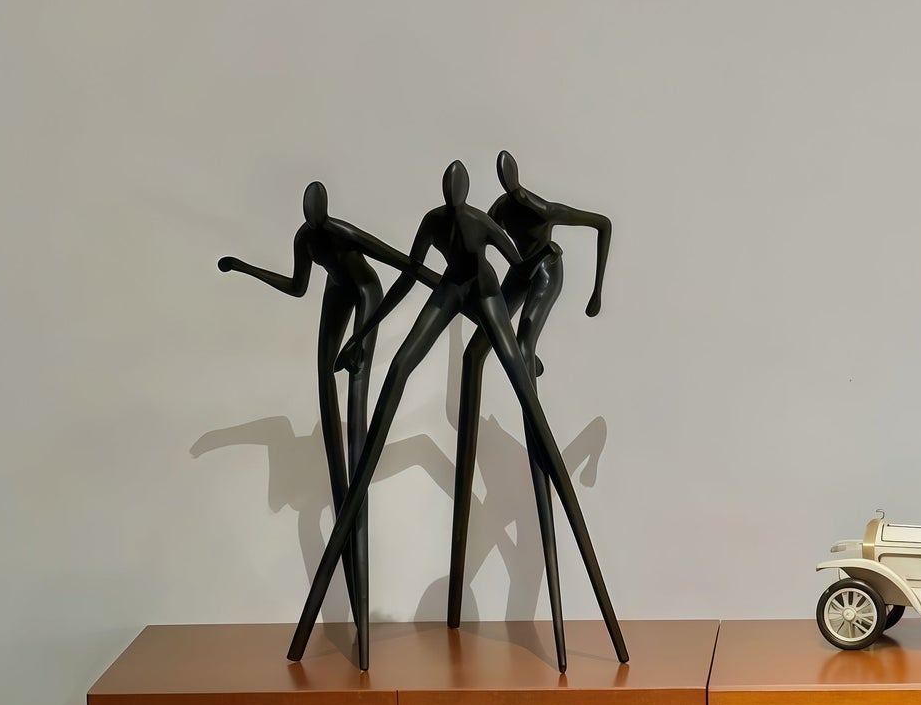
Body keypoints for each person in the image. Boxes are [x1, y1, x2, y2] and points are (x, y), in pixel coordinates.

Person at [288, 163, 628, 668]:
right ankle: (357, 502)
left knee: (520, 387)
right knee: (401, 368)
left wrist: (524, 331)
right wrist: (364, 335)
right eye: (448, 188)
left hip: (490, 292)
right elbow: (406, 279)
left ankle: (580, 611)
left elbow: (523, 261)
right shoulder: (440, 221)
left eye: (456, 188)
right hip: (452, 289)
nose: (452, 194)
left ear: (465, 191)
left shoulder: (500, 217)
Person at [219, 184, 434, 666]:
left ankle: (362, 613)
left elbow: (403, 264)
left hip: (365, 295)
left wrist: (366, 333)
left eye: (316, 210)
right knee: (323, 375)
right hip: (338, 292)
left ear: (326, 210)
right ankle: (355, 600)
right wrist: (245, 267)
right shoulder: (307, 239)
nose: (312, 217)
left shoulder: (342, 232)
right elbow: (297, 287)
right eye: (308, 213)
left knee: (356, 394)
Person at [441, 154, 615, 662]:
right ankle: (523, 362)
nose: (510, 193)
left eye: (512, 187)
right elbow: (484, 254)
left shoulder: (542, 209)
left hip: (545, 272)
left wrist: (596, 291)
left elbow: (603, 224)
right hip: (518, 272)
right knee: (478, 351)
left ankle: (530, 365)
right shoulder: (495, 209)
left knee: (519, 346)